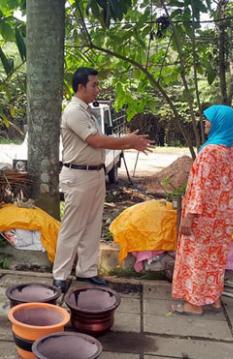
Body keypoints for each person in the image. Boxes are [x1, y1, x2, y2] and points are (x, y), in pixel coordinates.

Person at [52, 67, 154, 292]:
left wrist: (128, 142)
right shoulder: (73, 111)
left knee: (92, 226)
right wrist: (128, 141)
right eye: (94, 85)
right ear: (81, 87)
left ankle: (87, 272)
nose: (98, 89)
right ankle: (60, 275)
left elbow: (100, 140)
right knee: (72, 227)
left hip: (94, 174)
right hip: (78, 175)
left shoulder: (86, 110)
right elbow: (96, 141)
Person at [170, 104, 233, 315]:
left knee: (198, 259)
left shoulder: (209, 152)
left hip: (203, 217)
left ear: (220, 123)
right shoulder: (231, 152)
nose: (205, 122)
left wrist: (189, 217)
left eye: (209, 119)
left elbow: (200, 188)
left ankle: (194, 304)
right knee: (216, 259)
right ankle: (214, 299)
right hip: (223, 217)